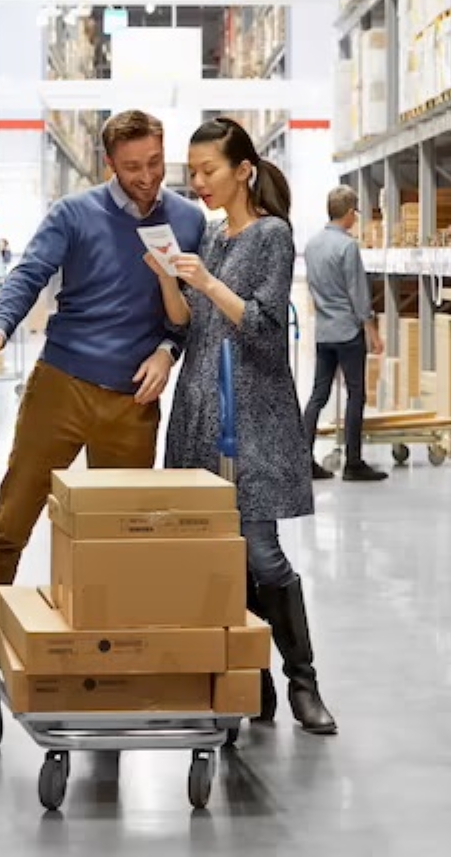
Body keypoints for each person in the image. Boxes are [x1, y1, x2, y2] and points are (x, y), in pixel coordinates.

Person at [0, 110, 206, 716]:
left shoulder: (188, 220)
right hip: (59, 386)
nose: (146, 179)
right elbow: (30, 273)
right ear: (108, 163)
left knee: (124, 540)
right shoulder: (75, 214)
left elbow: (192, 311)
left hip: (133, 400)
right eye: (133, 167)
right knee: (12, 522)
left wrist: (169, 353)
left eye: (154, 164)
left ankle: (111, 655)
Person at [148, 117, 336, 736]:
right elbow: (192, 322)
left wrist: (205, 279)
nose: (197, 182)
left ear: (243, 170)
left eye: (209, 171)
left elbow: (261, 328)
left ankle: (302, 681)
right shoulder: (210, 234)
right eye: (193, 172)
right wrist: (169, 281)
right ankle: (250, 682)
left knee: (260, 551)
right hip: (200, 407)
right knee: (217, 558)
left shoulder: (273, 236)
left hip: (252, 413)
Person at [302, 185, 386, 483]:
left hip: (324, 331)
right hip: (348, 332)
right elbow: (358, 293)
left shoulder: (312, 245)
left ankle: (303, 459)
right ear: (350, 213)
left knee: (318, 395)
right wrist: (372, 331)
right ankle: (353, 462)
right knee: (356, 395)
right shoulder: (347, 247)